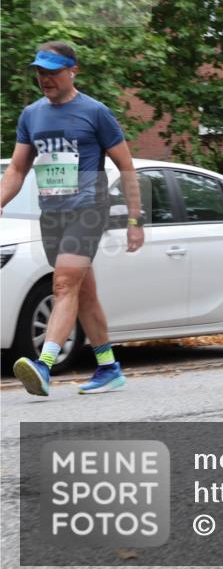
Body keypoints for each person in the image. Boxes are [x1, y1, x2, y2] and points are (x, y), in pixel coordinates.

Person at [1, 41, 144, 396]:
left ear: (72, 71)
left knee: (63, 285)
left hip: (88, 209)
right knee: (83, 292)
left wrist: (134, 219)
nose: (44, 78)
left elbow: (126, 166)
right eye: (39, 71)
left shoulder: (95, 112)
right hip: (51, 213)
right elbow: (18, 168)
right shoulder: (31, 115)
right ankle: (109, 366)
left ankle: (43, 365)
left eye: (51, 71)